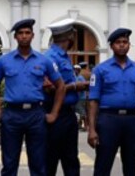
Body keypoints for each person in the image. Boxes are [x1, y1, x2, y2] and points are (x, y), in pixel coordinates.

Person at [0, 19, 65, 176]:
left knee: (38, 164)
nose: (24, 36)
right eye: (20, 33)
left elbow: (61, 86)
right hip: (12, 115)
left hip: (36, 114)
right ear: (15, 37)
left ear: (33, 36)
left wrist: (54, 113)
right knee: (9, 164)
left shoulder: (43, 60)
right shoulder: (4, 61)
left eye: (27, 33)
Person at [87, 28, 135, 176]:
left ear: (129, 45)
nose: (122, 45)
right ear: (111, 46)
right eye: (118, 42)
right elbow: (93, 101)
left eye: (125, 42)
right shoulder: (100, 70)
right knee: (103, 166)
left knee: (132, 167)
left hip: (131, 121)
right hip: (108, 120)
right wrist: (91, 129)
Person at [44, 18, 89, 176]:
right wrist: (76, 86)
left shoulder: (64, 57)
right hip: (56, 113)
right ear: (70, 37)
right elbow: (49, 88)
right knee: (50, 160)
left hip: (68, 114)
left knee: (70, 160)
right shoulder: (51, 57)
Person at [74, 65, 88, 131]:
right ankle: (80, 125)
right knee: (77, 112)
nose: (75, 71)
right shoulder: (74, 77)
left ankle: (85, 126)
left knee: (82, 112)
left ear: (79, 70)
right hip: (76, 97)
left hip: (81, 97)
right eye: (74, 69)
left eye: (77, 69)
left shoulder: (81, 77)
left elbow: (83, 86)